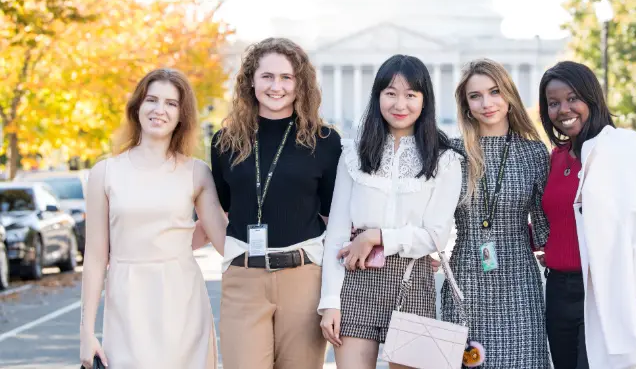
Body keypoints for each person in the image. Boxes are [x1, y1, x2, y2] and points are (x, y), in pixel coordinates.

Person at [318, 54, 462, 369]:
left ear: (425, 101)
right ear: (378, 96)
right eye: (391, 93)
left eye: (411, 95)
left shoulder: (445, 160)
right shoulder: (353, 154)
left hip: (413, 280)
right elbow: (338, 232)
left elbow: (435, 236)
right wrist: (329, 302)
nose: (400, 104)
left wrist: (378, 236)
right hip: (356, 281)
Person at [539, 61, 636, 369]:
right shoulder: (555, 159)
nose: (564, 109)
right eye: (554, 103)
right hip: (558, 293)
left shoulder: (622, 148)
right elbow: (556, 220)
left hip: (602, 290)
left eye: (572, 98)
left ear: (592, 98)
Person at [80, 69, 227, 368]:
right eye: (152, 100)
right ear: (137, 107)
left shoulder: (196, 172)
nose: (160, 110)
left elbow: (223, 240)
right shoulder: (105, 173)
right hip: (126, 302)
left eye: (171, 104)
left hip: (182, 300)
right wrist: (85, 331)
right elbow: (95, 258)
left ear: (181, 116)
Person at [211, 38, 342, 369]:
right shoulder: (224, 142)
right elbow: (220, 209)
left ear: (301, 84)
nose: (276, 86)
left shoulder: (325, 142)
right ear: (250, 80)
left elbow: (334, 216)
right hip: (243, 279)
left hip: (303, 278)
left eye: (286, 77)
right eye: (267, 76)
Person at [441, 58, 550, 369]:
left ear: (509, 96)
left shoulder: (533, 153)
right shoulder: (453, 153)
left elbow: (545, 229)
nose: (486, 103)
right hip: (466, 278)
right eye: (475, 96)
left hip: (519, 281)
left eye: (494, 92)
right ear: (466, 105)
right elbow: (431, 219)